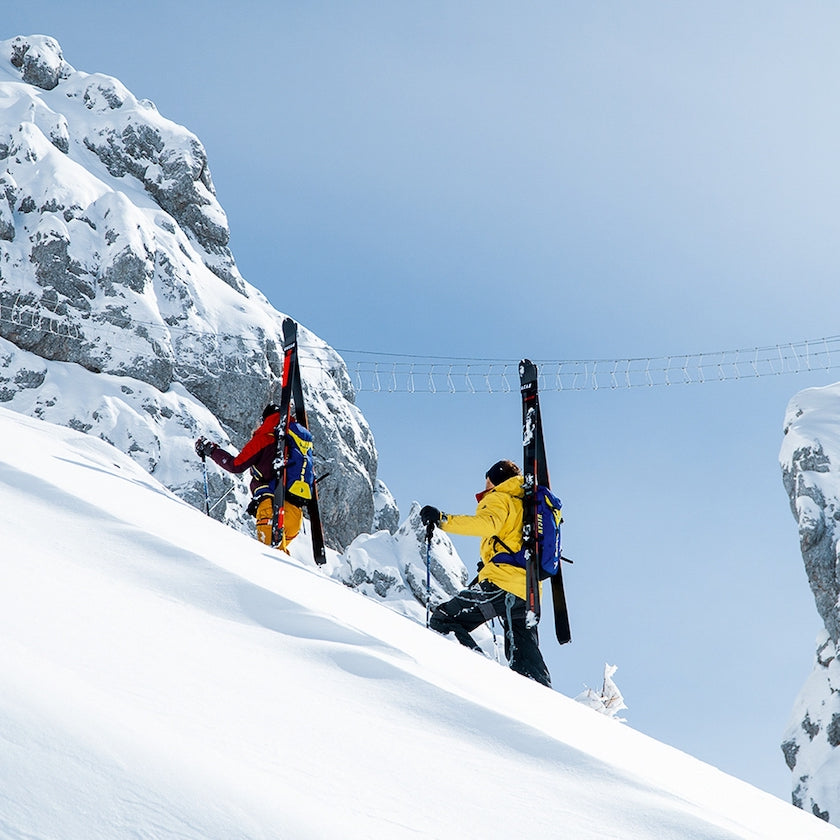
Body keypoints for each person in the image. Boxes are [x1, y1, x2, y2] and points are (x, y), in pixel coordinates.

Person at [420, 459, 551, 688]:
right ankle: (541, 700)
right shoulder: (526, 505)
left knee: (444, 619)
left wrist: (443, 520)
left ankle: (483, 677)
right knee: (526, 661)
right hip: (527, 594)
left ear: (495, 479)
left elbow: (486, 524)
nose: (485, 484)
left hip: (502, 587)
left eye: (487, 479)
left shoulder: (500, 498)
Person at [195, 403, 313, 549]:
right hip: (295, 516)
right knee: (280, 562)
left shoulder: (265, 437)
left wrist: (211, 450)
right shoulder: (297, 442)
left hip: (272, 509)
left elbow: (235, 465)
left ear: (266, 419)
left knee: (271, 563)